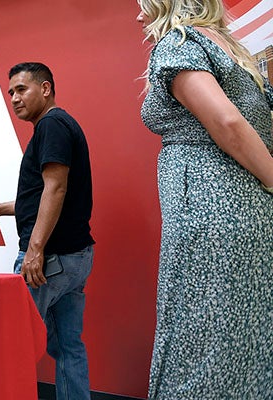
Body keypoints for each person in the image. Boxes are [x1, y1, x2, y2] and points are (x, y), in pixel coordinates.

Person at [137, 1, 273, 398]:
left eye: (145, 6)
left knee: (197, 340)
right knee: (245, 337)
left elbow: (227, 122)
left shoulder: (179, 43)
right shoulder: (237, 54)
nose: (139, 17)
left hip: (210, 212)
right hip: (248, 212)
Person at [0, 62, 95, 400]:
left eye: (21, 89)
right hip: (74, 258)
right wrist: (0, 209)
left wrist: (35, 250)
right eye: (10, 93)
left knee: (13, 342)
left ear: (45, 89)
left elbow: (56, 188)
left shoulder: (51, 125)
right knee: (69, 347)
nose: (14, 98)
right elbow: (46, 194)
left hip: (50, 260)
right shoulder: (60, 124)